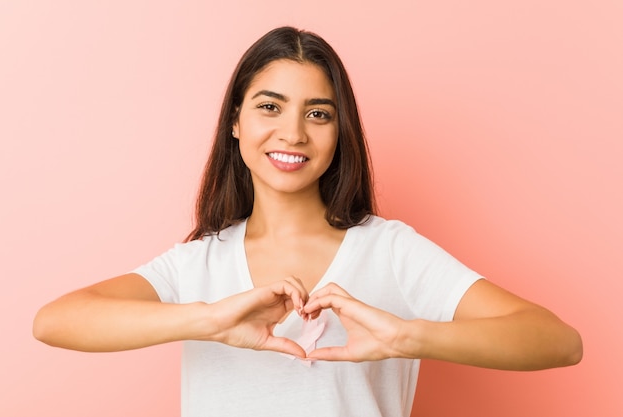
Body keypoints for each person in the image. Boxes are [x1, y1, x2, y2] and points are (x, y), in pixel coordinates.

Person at [33, 26, 583, 417]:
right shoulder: (198, 262)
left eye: (318, 113)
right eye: (269, 107)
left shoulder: (392, 251)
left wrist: (406, 336)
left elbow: (558, 342)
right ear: (235, 123)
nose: (293, 133)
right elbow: (55, 321)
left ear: (339, 132)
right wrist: (207, 321)